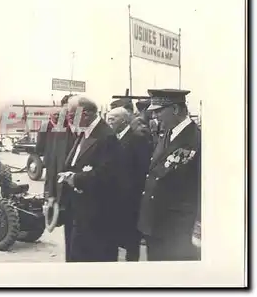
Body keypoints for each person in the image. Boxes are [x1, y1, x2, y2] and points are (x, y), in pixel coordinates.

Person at [137, 89, 201, 261]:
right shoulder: (167, 134)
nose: (155, 117)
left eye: (159, 111)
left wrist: (198, 229)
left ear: (175, 110)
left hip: (177, 228)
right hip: (155, 224)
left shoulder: (196, 139)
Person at [57, 95, 122, 262]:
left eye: (71, 115)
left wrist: (76, 179)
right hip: (76, 210)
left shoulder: (106, 136)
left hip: (95, 214)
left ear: (85, 114)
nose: (68, 120)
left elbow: (108, 174)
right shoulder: (84, 132)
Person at [106, 107, 153, 261]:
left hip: (131, 198)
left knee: (132, 240)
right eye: (108, 118)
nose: (109, 121)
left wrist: (134, 193)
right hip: (115, 197)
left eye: (113, 118)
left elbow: (143, 168)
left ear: (124, 120)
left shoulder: (137, 138)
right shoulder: (111, 138)